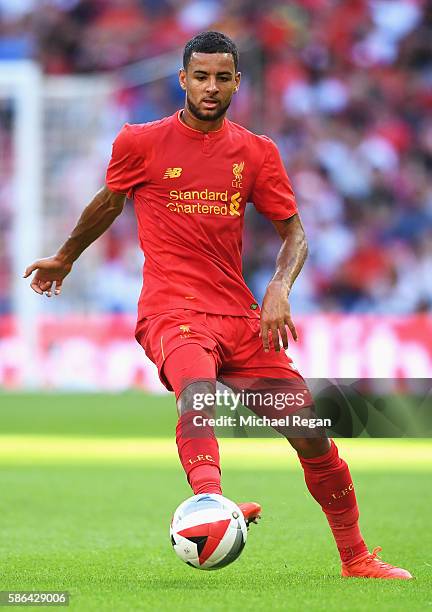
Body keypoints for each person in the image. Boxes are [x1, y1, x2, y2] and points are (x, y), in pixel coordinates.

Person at [24, 31, 411, 579]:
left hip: (240, 317)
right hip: (171, 309)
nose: (211, 87)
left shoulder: (256, 151)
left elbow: (295, 235)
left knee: (313, 433)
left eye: (222, 77)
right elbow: (109, 203)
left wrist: (279, 287)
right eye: (200, 76)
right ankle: (209, 505)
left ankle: (356, 558)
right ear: (182, 79)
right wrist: (64, 257)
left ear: (236, 82)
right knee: (198, 396)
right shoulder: (139, 142)